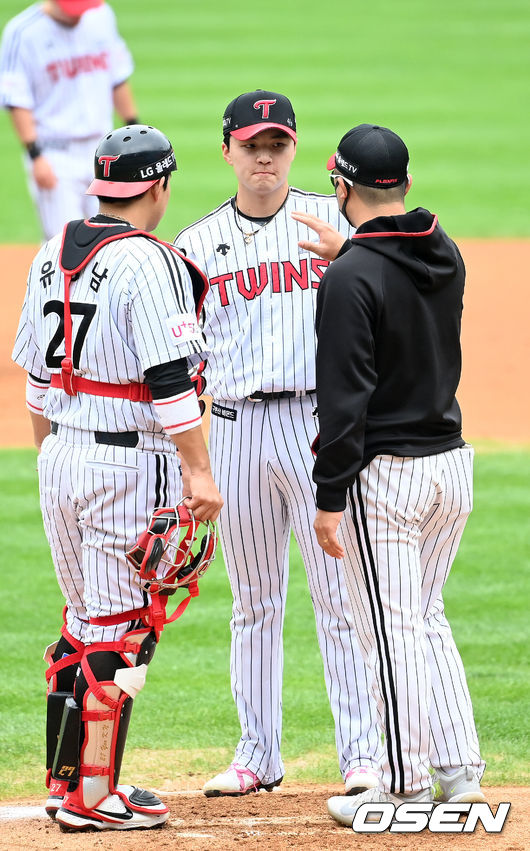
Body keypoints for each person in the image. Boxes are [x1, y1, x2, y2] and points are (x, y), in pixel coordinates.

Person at [12, 123, 223, 831]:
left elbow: (37, 383)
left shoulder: (50, 253)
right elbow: (169, 381)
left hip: (60, 454)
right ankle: (94, 796)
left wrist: (54, 459)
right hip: (125, 462)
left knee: (83, 620)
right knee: (123, 629)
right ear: (158, 186)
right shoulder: (148, 261)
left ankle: (65, 779)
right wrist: (199, 472)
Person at [174, 90, 382, 798]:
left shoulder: (333, 220)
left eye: (277, 145)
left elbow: (397, 294)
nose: (264, 157)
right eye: (251, 145)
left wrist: (353, 251)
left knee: (339, 595)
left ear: (294, 148)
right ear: (227, 149)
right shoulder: (195, 246)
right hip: (232, 426)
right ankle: (257, 752)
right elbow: (183, 354)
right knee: (254, 601)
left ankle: (362, 753)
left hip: (317, 425)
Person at [301, 123, 485, 827]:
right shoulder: (443, 253)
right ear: (403, 185)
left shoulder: (351, 278)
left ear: (341, 186)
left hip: (389, 481)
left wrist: (328, 496)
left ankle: (403, 788)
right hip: (451, 469)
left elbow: (345, 399)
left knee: (388, 631)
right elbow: (392, 271)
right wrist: (348, 252)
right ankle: (459, 772)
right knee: (425, 620)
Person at [0, 0, 138, 240]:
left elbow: (118, 76)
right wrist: (36, 156)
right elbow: (17, 99)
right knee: (65, 243)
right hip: (55, 155)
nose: (79, 14)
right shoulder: (22, 33)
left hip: (103, 151)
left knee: (111, 237)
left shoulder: (101, 16)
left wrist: (133, 129)